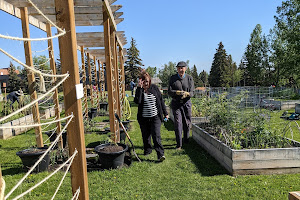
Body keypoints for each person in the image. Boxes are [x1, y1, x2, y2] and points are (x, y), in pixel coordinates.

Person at [134, 70, 169, 162]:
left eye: (147, 81)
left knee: (156, 135)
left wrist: (165, 113)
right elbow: (137, 101)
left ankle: (160, 154)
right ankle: (148, 150)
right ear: (140, 81)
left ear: (149, 80)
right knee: (146, 136)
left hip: (155, 117)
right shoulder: (140, 90)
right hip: (144, 118)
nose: (146, 83)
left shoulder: (154, 88)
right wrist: (139, 88)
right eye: (143, 81)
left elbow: (161, 101)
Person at [168, 61, 195, 150]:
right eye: (179, 68)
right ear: (177, 69)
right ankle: (179, 144)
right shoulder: (173, 78)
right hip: (176, 104)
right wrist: (177, 92)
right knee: (178, 123)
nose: (181, 69)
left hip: (186, 104)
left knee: (187, 122)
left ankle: (186, 139)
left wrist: (187, 94)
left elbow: (192, 92)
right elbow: (169, 91)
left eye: (182, 68)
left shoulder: (189, 78)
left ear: (185, 68)